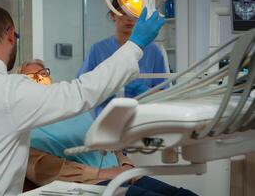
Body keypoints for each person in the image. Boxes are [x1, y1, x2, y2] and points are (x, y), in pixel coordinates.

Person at [0, 4, 165, 196]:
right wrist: (135, 45)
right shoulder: (11, 91)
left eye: (43, 74)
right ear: (9, 35)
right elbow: (82, 93)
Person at [18, 61, 198, 196]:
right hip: (92, 184)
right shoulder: (25, 126)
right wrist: (107, 173)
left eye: (43, 74)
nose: (39, 80)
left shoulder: (76, 110)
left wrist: (125, 163)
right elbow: (47, 171)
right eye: (31, 78)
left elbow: (106, 141)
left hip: (124, 173)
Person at [78, 0, 168, 118]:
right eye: (123, 12)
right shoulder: (98, 49)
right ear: (112, 15)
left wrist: (143, 90)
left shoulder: (153, 51)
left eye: (133, 12)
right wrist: (110, 90)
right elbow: (83, 91)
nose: (129, 18)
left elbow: (164, 94)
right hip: (106, 118)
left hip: (143, 118)